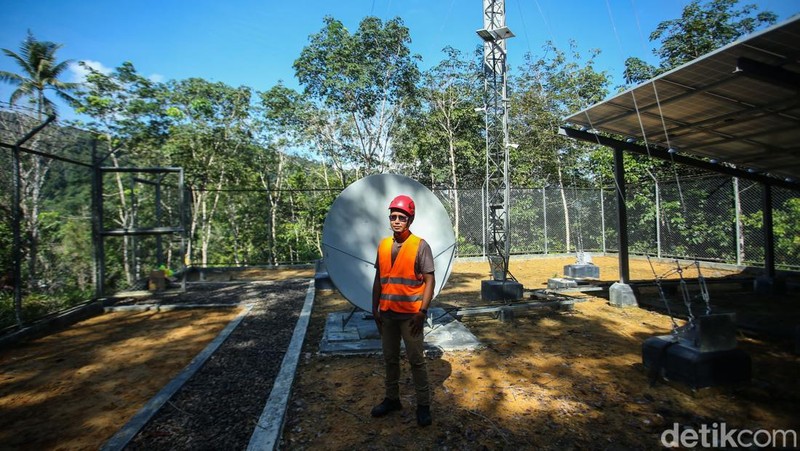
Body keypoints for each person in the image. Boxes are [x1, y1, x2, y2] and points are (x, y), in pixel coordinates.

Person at [370, 194, 436, 427]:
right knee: (390, 359)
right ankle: (392, 399)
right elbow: (379, 278)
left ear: (410, 219)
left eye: (401, 217)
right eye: (393, 216)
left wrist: (423, 312)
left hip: (411, 317)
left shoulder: (420, 246)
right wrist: (374, 307)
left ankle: (423, 405)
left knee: (416, 360)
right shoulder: (383, 245)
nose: (396, 220)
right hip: (387, 314)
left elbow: (429, 280)